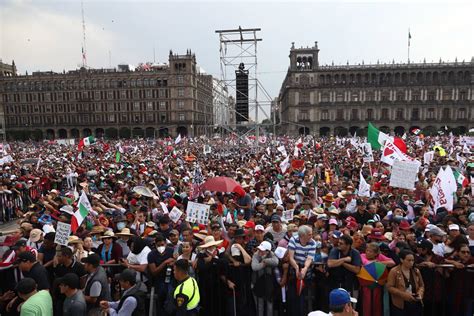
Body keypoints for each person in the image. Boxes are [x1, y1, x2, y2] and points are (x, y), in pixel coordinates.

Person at [387, 250, 424, 316]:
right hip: (400, 304)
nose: (411, 262)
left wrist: (420, 293)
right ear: (401, 260)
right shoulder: (394, 271)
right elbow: (390, 287)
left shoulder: (416, 271)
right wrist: (403, 294)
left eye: (413, 260)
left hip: (415, 303)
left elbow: (421, 285)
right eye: (409, 260)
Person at [251, 240, 279, 316]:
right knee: (260, 306)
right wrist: (264, 264)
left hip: (269, 285)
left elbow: (276, 262)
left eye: (262, 250)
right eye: (259, 249)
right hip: (257, 283)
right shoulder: (256, 255)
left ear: (267, 251)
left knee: (270, 305)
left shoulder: (271, 254)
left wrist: (265, 260)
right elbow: (254, 267)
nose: (259, 251)